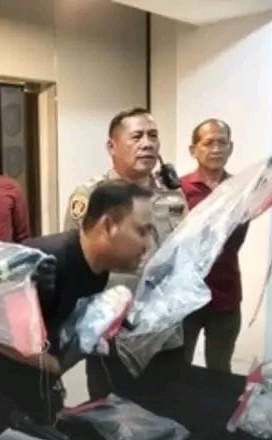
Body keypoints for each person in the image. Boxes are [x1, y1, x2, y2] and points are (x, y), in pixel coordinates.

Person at [0, 182, 153, 425]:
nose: (147, 244)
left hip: (31, 392)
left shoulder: (97, 271)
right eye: (141, 231)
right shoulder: (44, 262)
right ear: (108, 226)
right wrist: (54, 364)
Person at [62, 108, 188, 399]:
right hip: (114, 336)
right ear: (112, 146)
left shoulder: (172, 195)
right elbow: (74, 262)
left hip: (165, 334)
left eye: (153, 136)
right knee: (111, 415)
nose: (147, 143)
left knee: (169, 409)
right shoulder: (92, 196)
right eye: (137, 136)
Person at [180, 119, 248, 373]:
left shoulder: (243, 189)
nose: (216, 149)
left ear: (231, 147)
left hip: (226, 292)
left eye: (222, 142)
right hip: (184, 294)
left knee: (220, 367)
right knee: (179, 365)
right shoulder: (178, 189)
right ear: (193, 149)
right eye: (208, 143)